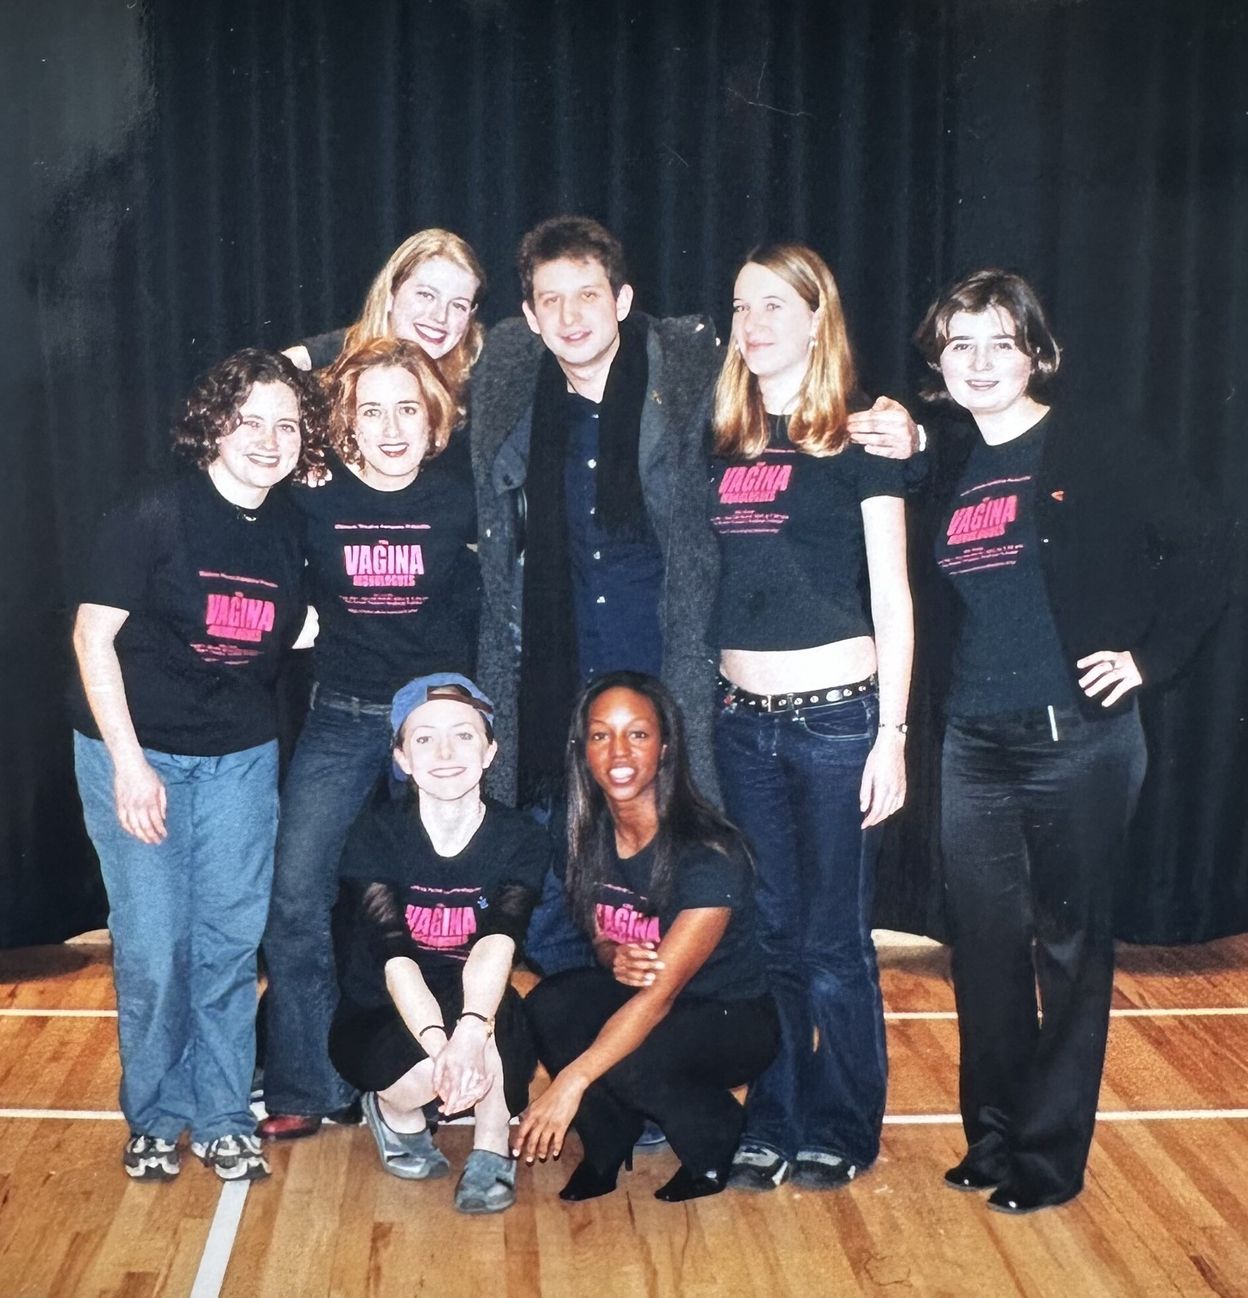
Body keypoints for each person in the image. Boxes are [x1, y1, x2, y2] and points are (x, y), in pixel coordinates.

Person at [471, 215, 921, 981]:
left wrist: (909, 433)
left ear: (623, 300)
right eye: (551, 300)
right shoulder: (509, 379)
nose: (571, 316)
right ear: (529, 316)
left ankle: (689, 1058)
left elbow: (815, 426)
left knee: (722, 899)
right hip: (558, 680)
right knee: (562, 908)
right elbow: (393, 335)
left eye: (588, 294)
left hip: (681, 682)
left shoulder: (688, 375)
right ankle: (595, 1049)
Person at [912, 269, 1229, 1214]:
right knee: (985, 949)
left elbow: (1209, 541)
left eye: (999, 343)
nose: (978, 363)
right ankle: (995, 1137)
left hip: (1077, 745)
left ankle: (1046, 1160)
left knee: (1070, 953)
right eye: (958, 345)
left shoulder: (1089, 444)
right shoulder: (954, 463)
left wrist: (1151, 659)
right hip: (974, 742)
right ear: (939, 363)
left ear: (1037, 355)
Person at [71, 349, 328, 1182]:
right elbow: (91, 636)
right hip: (135, 751)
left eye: (286, 424)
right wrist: (128, 764)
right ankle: (155, 1115)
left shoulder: (292, 528)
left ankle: (220, 1115)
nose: (267, 438)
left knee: (226, 944)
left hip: (239, 761)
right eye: (248, 419)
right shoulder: (156, 512)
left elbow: (295, 626)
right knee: (154, 947)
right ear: (214, 425)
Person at [707, 244, 914, 1193]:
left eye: (775, 306)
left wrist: (895, 736)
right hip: (743, 725)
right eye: (743, 306)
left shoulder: (860, 441)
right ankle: (777, 1112)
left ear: (816, 317)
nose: (753, 324)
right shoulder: (724, 440)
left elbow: (894, 595)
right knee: (776, 935)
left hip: (838, 724)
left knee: (835, 942)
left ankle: (843, 1123)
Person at [258, 339, 479, 1140]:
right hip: (345, 716)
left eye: (407, 408)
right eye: (370, 410)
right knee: (295, 899)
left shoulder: (466, 496)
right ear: (344, 423)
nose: (391, 428)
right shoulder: (313, 495)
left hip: (439, 725)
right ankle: (305, 1084)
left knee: (439, 907)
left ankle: (444, 1074)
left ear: (435, 418)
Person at [515, 673, 778, 1202]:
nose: (618, 751)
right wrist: (614, 955)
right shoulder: (579, 829)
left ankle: (714, 1133)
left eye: (637, 734)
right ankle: (608, 1139)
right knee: (549, 1003)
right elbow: (601, 933)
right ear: (581, 749)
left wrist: (569, 1083)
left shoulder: (709, 855)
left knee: (626, 1053)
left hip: (730, 1017)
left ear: (665, 747)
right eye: (600, 735)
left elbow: (659, 999)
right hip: (655, 1004)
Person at [329, 674, 548, 1213]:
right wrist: (444, 1053)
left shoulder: (522, 837)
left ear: (491, 750)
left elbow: (499, 942)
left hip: (476, 993)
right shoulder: (373, 834)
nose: (446, 752)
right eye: (424, 738)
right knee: (424, 1077)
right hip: (383, 1005)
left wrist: (470, 1038)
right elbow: (393, 953)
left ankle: (493, 1146)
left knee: (489, 1021)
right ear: (401, 757)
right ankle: (396, 1115)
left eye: (464, 735)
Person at [283, 227, 485, 479]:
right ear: (390, 294)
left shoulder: (478, 385)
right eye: (426, 295)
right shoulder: (327, 382)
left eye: (458, 305)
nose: (440, 317)